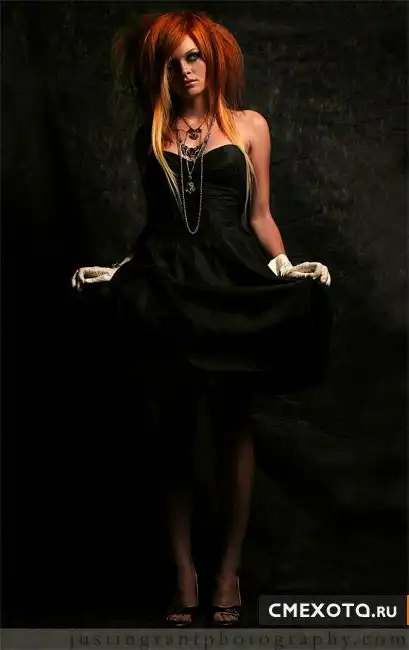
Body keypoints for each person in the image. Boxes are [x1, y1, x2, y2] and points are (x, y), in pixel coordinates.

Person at [71, 10, 333, 627]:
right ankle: (183, 572)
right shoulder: (151, 134)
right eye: (172, 62)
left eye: (194, 56)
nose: (186, 70)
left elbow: (259, 215)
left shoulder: (249, 126)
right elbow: (156, 228)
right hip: (169, 286)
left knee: (233, 426)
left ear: (212, 59)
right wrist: (120, 271)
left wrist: (286, 265)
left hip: (231, 281)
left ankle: (226, 573)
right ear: (158, 71)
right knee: (174, 430)